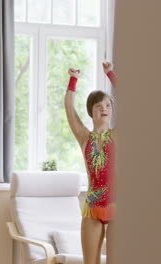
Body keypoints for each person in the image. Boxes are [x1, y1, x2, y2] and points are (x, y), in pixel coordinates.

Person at [64, 62, 117, 264]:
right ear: (91, 111)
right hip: (92, 209)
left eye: (108, 105)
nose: (104, 109)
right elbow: (69, 110)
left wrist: (110, 74)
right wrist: (73, 80)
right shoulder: (84, 137)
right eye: (98, 106)